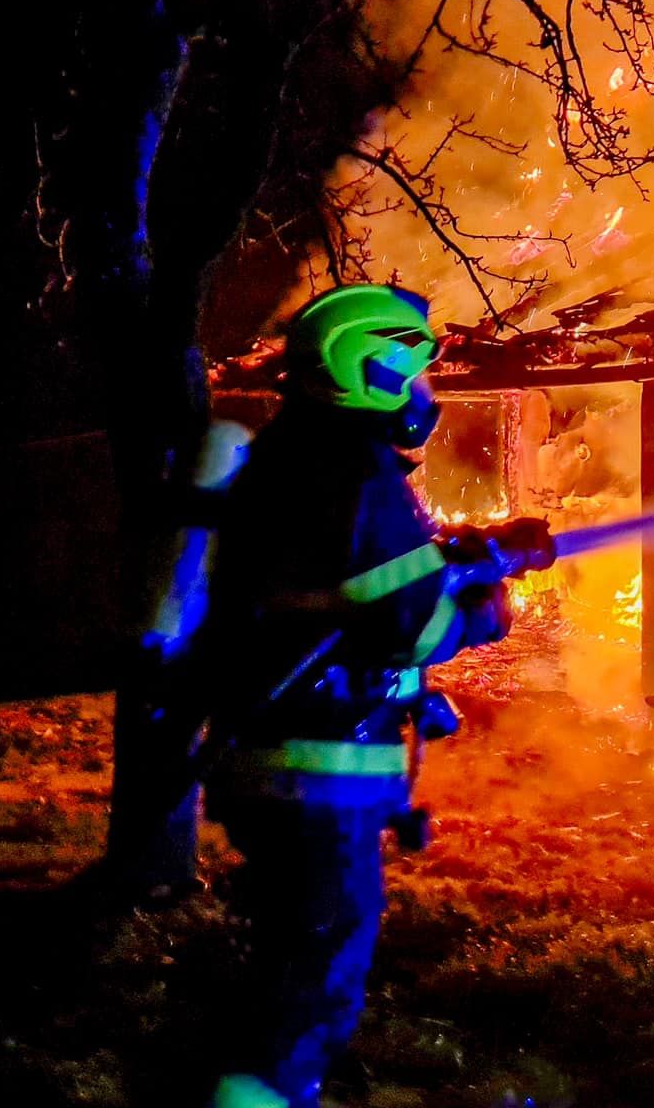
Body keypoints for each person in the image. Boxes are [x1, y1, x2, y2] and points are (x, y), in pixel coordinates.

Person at [201, 283, 552, 1108]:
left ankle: (263, 1076)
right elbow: (411, 624)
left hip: (267, 750)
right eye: (413, 365)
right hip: (319, 762)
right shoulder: (357, 469)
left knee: (289, 949)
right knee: (319, 963)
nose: (423, 388)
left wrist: (475, 553)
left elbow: (350, 582)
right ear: (369, 369)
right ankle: (264, 1094)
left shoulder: (290, 455)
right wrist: (486, 608)